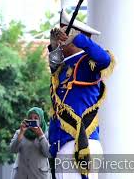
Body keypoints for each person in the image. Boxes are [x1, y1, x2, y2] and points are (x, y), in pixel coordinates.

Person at [48, 10, 115, 179]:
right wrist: (53, 46)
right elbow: (53, 65)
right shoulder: (63, 68)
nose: (60, 40)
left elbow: (105, 59)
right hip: (63, 143)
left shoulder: (87, 62)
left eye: (64, 35)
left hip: (81, 143)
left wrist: (78, 38)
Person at [9, 107, 51, 179]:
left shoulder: (47, 134)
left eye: (36, 118)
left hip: (39, 175)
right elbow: (13, 150)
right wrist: (21, 133)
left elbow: (48, 153)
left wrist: (40, 135)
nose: (33, 120)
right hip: (20, 175)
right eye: (30, 118)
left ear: (41, 119)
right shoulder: (19, 132)